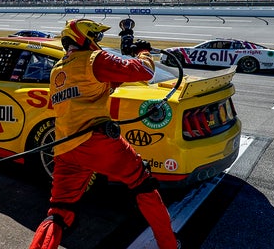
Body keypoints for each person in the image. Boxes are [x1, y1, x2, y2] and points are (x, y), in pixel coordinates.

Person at [29, 19, 178, 249]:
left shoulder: (58, 69)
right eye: (96, 37)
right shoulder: (94, 59)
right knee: (143, 184)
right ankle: (169, 244)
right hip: (96, 140)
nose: (98, 42)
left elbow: (101, 85)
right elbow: (146, 72)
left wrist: (123, 59)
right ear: (84, 38)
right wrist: (143, 52)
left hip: (65, 147)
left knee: (59, 211)